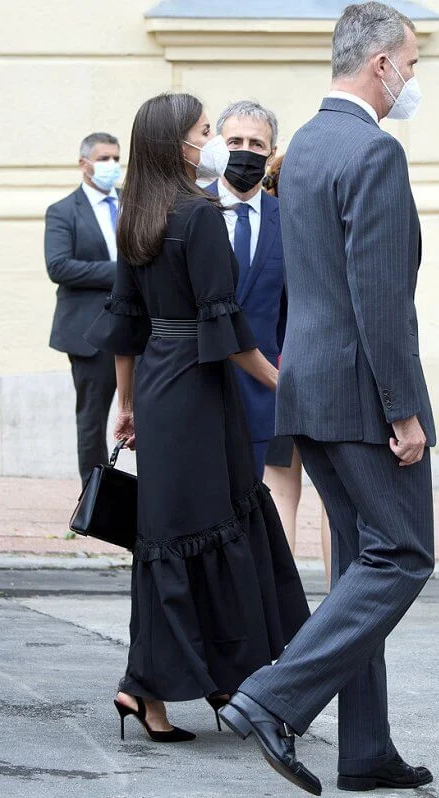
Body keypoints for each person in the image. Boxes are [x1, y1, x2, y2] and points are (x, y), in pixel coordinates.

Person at [220, 3, 435, 794]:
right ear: (380, 64)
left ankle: (366, 750)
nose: (412, 79)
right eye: (410, 65)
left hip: (308, 388)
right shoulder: (372, 152)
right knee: (405, 554)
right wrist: (403, 409)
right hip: (360, 395)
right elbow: (376, 297)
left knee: (358, 567)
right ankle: (274, 698)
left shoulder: (304, 143)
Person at [85, 93, 310, 740]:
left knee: (167, 538)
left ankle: (164, 688)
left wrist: (126, 404)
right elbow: (229, 326)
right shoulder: (200, 215)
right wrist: (281, 382)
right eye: (207, 132)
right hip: (201, 388)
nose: (216, 143)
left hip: (158, 382)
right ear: (179, 144)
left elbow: (126, 323)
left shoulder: (136, 215)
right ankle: (181, 683)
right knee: (218, 527)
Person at [262, 155, 332, 585]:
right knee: (334, 499)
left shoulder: (267, 231)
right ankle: (339, 610)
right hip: (327, 372)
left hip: (277, 371)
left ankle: (284, 612)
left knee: (281, 493)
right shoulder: (331, 227)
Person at [206, 101, 286, 479]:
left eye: (256, 144)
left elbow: (292, 307)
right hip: (197, 383)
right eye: (234, 141)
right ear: (218, 148)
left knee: (252, 507)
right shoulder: (188, 210)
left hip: (261, 389)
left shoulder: (289, 220)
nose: (245, 151)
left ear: (271, 153)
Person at [44, 132, 121, 486]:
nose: (111, 166)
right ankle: (93, 500)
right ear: (84, 164)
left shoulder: (131, 204)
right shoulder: (63, 211)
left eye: (116, 158)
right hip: (90, 334)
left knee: (151, 415)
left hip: (138, 328)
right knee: (92, 420)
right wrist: (121, 272)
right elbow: (58, 266)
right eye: (104, 158)